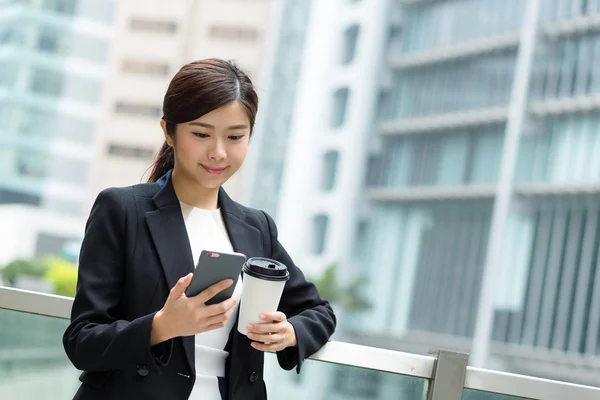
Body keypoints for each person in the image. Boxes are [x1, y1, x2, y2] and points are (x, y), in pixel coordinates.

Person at [63, 58, 336, 400]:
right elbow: (82, 340)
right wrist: (162, 326)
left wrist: (290, 332)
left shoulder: (256, 227)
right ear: (168, 131)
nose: (218, 152)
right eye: (201, 134)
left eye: (235, 136)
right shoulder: (122, 210)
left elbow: (319, 311)